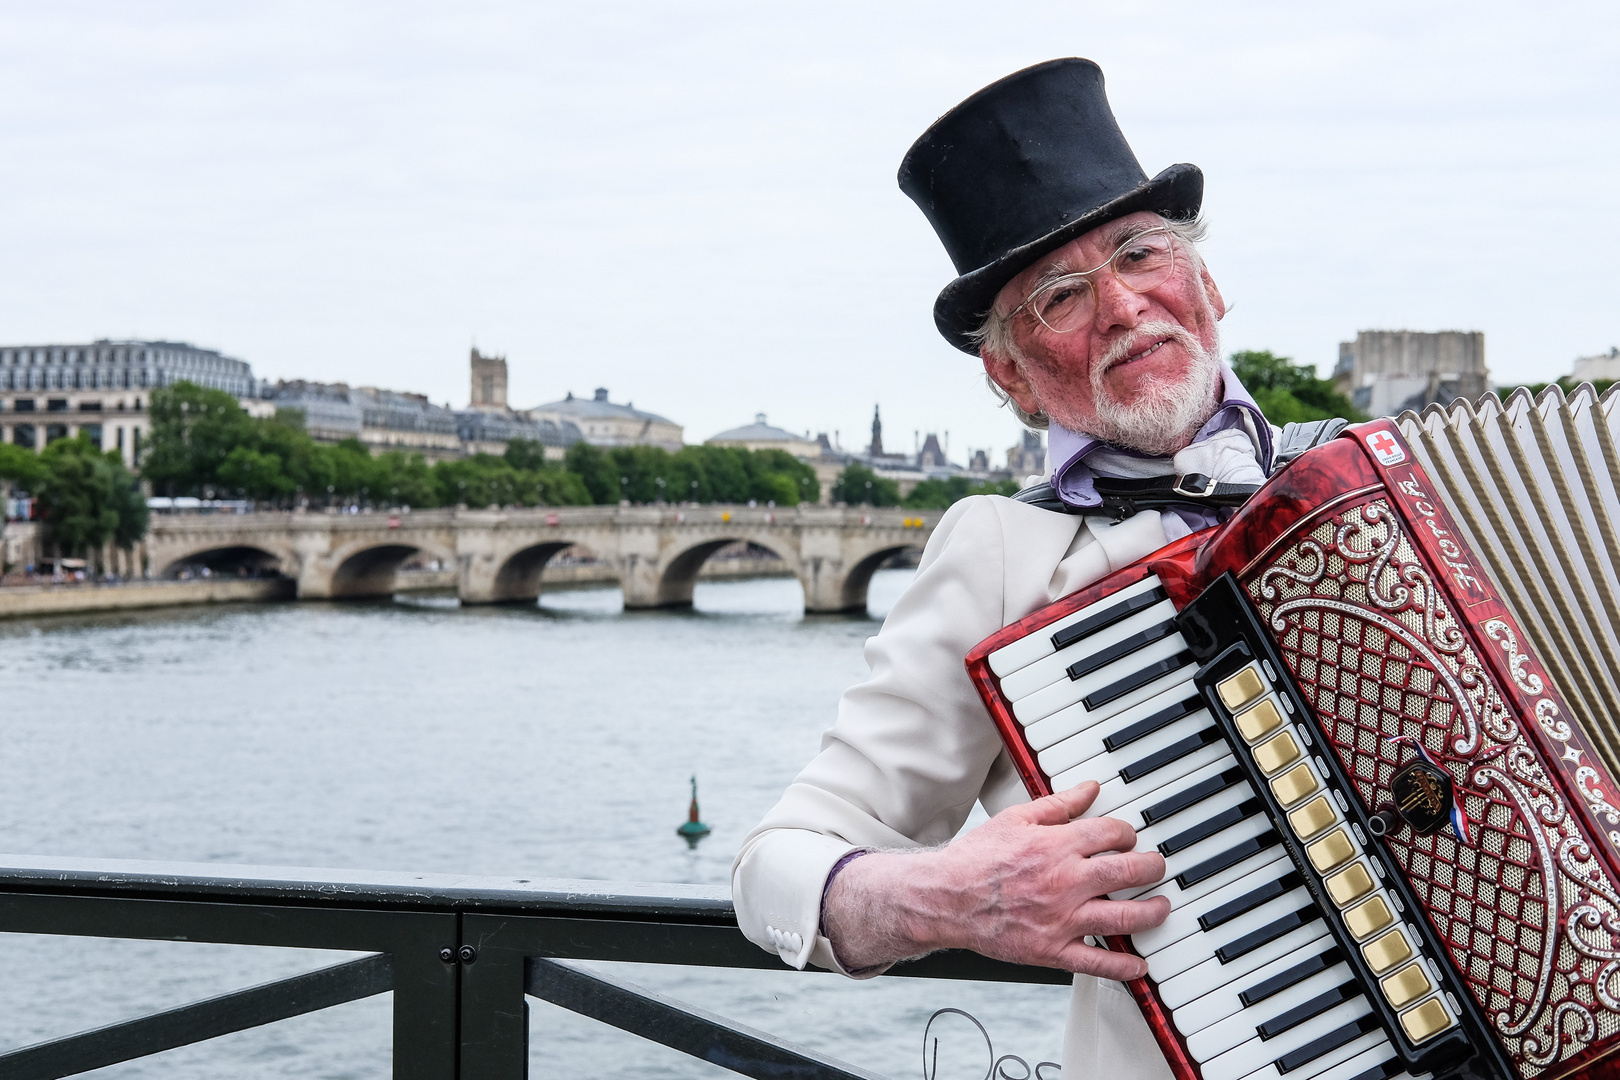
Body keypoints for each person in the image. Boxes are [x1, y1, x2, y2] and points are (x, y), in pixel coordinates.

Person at [732, 58, 1278, 1077]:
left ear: (1203, 282)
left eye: (1139, 253)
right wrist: (946, 896)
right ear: (1011, 375)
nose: (1122, 305)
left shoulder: (1394, 485)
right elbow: (773, 871)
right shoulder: (1002, 555)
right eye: (1063, 295)